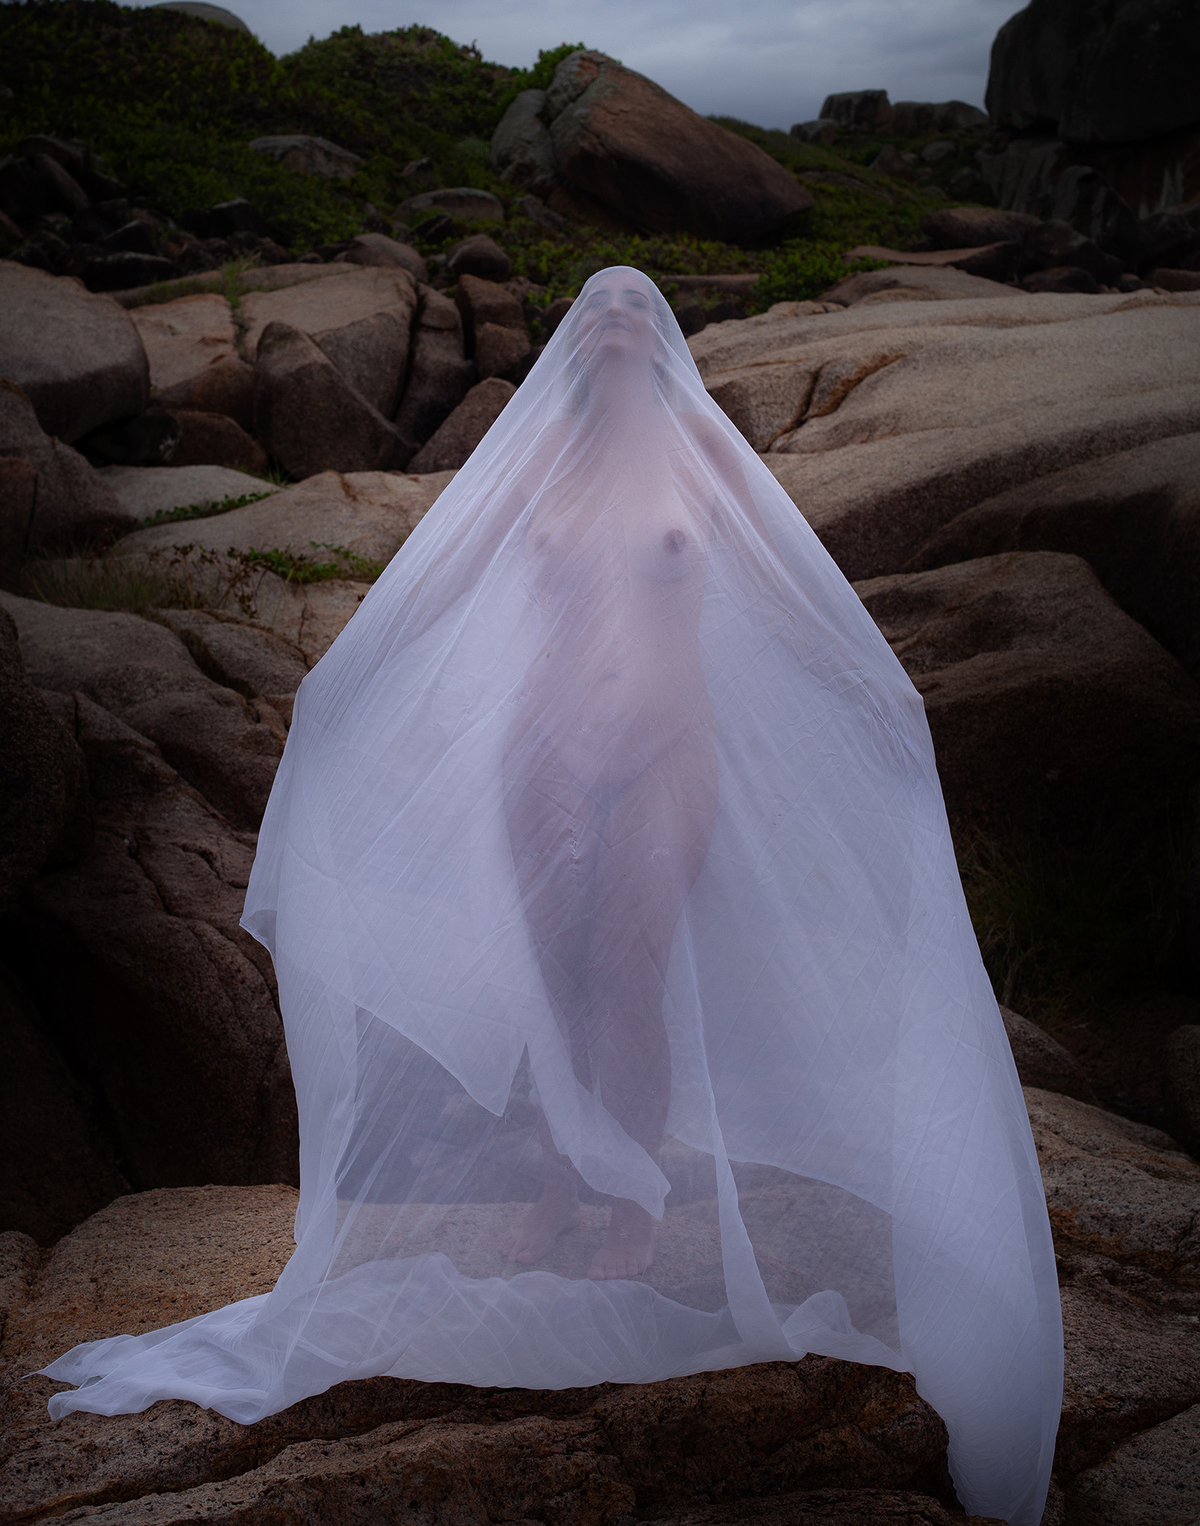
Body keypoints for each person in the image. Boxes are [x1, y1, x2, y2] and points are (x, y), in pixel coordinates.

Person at [41, 268, 1062, 1526]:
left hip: (666, 753)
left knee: (627, 965)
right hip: (545, 754)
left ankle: (626, 1188)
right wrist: (339, 688)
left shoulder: (701, 448)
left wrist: (883, 701)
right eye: (602, 311)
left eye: (641, 308)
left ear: (663, 336)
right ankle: (556, 1183)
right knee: (555, 976)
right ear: (582, 343)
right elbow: (441, 570)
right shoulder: (545, 454)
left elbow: (794, 586)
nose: (622, 322)